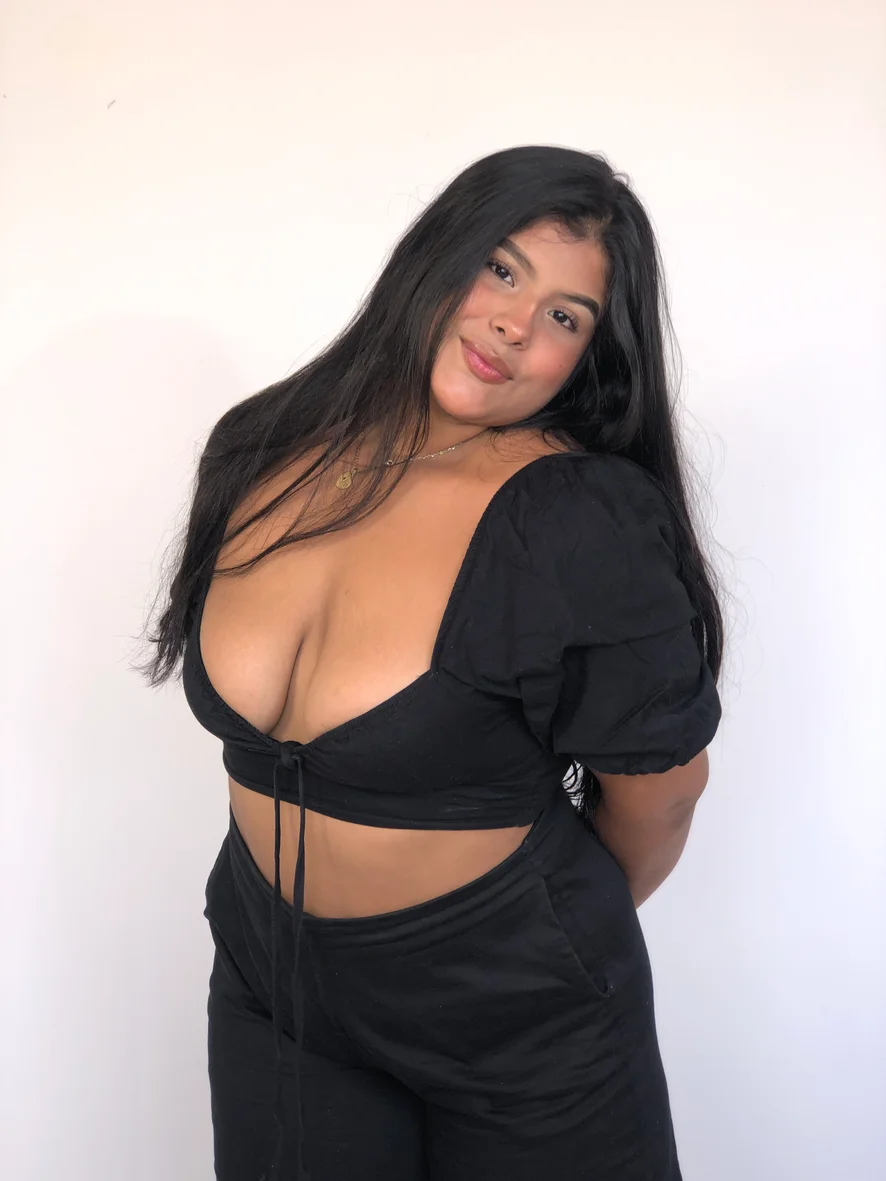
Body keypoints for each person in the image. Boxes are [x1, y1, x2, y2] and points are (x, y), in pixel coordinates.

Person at [142, 144, 725, 1181]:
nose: (514, 323)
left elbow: (663, 794)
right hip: (277, 987)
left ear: (588, 358)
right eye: (500, 269)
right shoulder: (261, 448)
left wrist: (509, 943)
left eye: (564, 316)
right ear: (436, 255)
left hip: (518, 1014)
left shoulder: (578, 517)